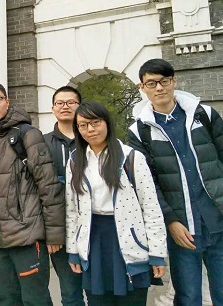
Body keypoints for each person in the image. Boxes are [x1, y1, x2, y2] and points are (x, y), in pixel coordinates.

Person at [128, 58, 223, 305]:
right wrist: (170, 221)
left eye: (164, 81)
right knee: (188, 297)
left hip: (218, 219)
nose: (159, 88)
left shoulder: (204, 114)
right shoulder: (139, 131)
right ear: (142, 87)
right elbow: (148, 185)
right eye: (151, 83)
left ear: (174, 81)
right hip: (182, 228)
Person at [0, 80, 64, 306]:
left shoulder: (28, 135)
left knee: (35, 300)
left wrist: (54, 234)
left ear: (7, 101)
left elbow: (48, 185)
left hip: (27, 236)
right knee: (4, 299)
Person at [68, 100, 167, 305]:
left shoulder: (131, 158)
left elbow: (151, 207)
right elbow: (71, 210)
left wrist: (157, 253)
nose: (90, 129)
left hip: (128, 239)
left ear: (107, 122)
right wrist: (73, 251)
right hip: (92, 240)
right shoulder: (75, 160)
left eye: (95, 122)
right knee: (97, 300)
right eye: (83, 125)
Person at [43, 86, 84, 306]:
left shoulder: (91, 138)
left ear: (80, 106)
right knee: (70, 291)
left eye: (71, 102)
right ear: (53, 108)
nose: (65, 106)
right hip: (61, 228)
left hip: (93, 226)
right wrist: (52, 232)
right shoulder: (42, 142)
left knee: (98, 289)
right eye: (60, 103)